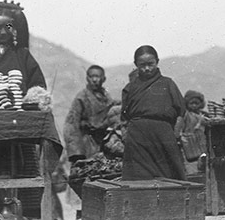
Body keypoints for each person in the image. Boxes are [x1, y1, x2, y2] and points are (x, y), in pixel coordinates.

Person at [121, 45, 187, 181]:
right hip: (137, 137)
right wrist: (127, 135)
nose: (147, 69)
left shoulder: (168, 84)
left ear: (157, 62)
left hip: (163, 136)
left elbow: (181, 111)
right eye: (142, 65)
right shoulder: (130, 88)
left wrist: (174, 135)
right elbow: (124, 115)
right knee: (138, 176)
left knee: (169, 173)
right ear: (135, 65)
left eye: (150, 64)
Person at [63, 65, 116, 164]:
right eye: (92, 77)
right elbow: (71, 125)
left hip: (103, 141)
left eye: (98, 77)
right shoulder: (81, 98)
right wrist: (77, 152)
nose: (95, 80)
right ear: (87, 78)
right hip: (86, 143)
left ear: (104, 79)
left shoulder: (107, 97)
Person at [174, 90, 209, 174]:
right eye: (191, 103)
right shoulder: (185, 115)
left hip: (201, 144)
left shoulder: (203, 115)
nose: (194, 106)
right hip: (189, 146)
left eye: (196, 103)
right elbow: (179, 129)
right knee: (191, 168)